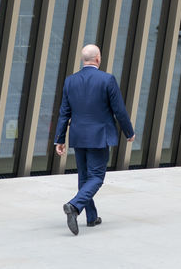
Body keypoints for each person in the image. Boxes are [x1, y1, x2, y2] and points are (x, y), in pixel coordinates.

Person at [54, 44, 135, 234]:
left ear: (83, 60)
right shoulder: (107, 79)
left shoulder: (70, 81)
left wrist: (60, 139)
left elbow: (64, 113)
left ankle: (91, 217)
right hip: (99, 136)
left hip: (78, 136)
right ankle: (74, 206)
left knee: (84, 177)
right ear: (98, 58)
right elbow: (119, 111)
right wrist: (129, 132)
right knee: (96, 177)